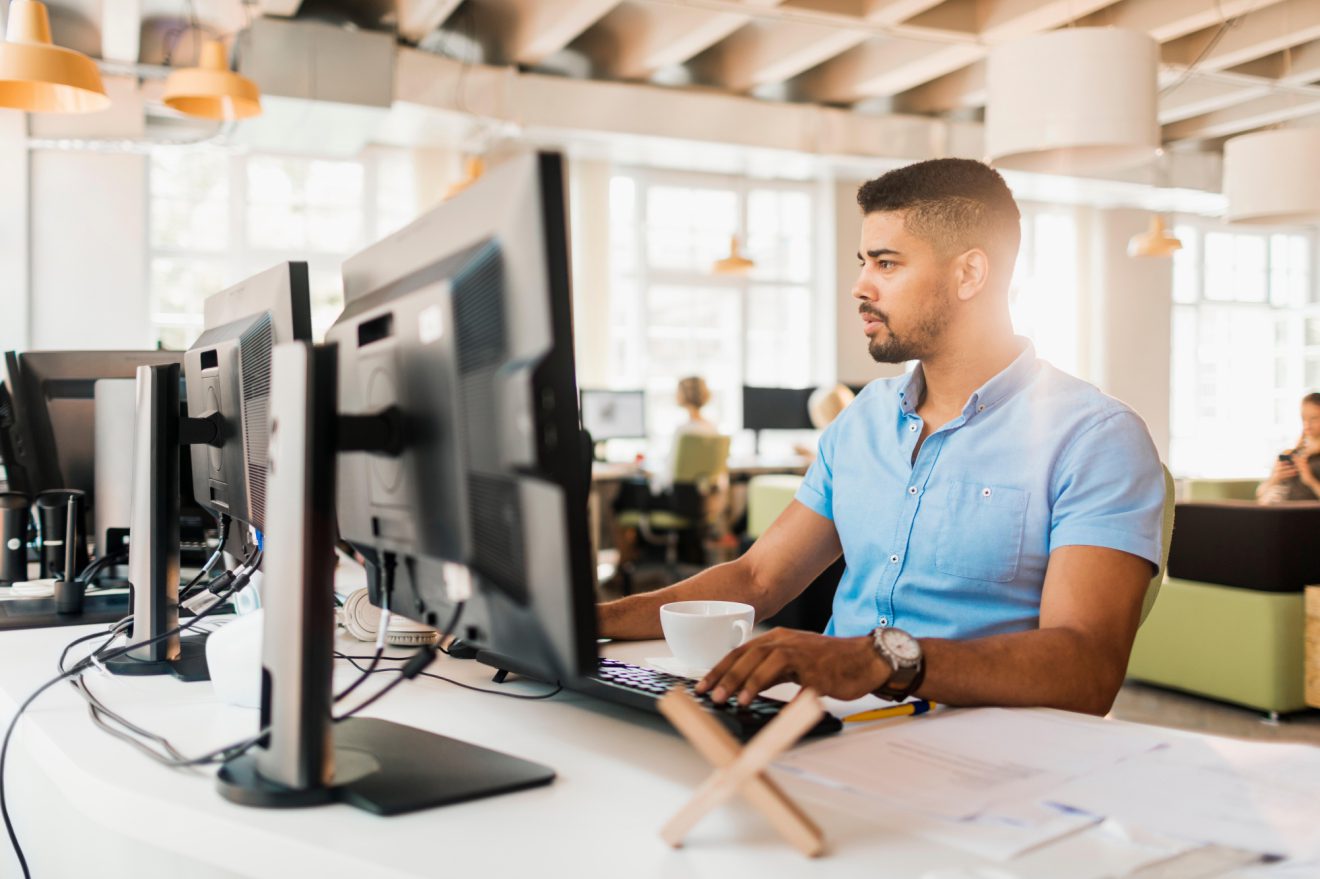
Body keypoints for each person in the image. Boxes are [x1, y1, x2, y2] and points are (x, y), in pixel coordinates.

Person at [598, 158, 1165, 716]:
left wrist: (880, 661)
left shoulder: (1095, 438)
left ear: (969, 273)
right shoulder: (864, 418)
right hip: (834, 724)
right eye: (864, 262)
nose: (860, 286)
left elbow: (1087, 667)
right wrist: (589, 621)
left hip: (986, 748)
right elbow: (756, 577)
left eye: (887, 264)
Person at [1257, 392, 1320, 503]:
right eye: (1304, 418)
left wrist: (1310, 480)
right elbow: (1259, 494)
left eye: (1314, 419)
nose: (1307, 425)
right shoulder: (1291, 455)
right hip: (1282, 513)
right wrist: (1276, 478)